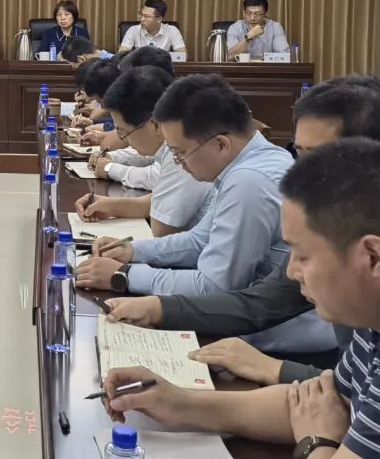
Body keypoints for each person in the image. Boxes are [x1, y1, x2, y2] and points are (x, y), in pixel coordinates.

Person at [100, 138, 380, 459]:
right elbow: (314, 403)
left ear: (371, 256)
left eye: (303, 256)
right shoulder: (368, 325)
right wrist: (176, 401)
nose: (291, 272)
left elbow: (320, 422)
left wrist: (317, 442)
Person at [105, 76, 380, 386]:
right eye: (300, 154)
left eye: (318, 157)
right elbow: (262, 301)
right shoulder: (323, 216)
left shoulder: (253, 180)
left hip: (299, 352)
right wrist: (155, 303)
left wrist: (274, 369)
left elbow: (350, 395)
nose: (302, 172)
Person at [78, 73, 334, 354]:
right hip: (243, 327)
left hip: (276, 344)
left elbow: (214, 286)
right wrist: (133, 251)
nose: (179, 163)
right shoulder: (248, 163)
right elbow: (200, 239)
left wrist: (125, 275)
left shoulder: (250, 181)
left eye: (180, 153)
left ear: (220, 144)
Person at [77, 66, 215, 236]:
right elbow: (160, 198)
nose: (124, 140)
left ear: (155, 125)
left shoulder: (184, 154)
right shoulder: (179, 141)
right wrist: (110, 205)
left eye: (123, 132)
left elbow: (161, 231)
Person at [227, 0, 291, 59]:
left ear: (264, 14)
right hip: (243, 65)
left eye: (257, 14)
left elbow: (284, 55)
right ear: (244, 13)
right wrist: (248, 37)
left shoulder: (275, 27)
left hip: (267, 65)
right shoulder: (235, 28)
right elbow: (229, 56)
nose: (252, 18)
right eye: (248, 13)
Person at [118, 0, 187, 56]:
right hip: (140, 67)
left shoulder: (172, 31)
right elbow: (121, 55)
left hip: (162, 66)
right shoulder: (133, 30)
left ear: (159, 19)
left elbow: (183, 56)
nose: (142, 19)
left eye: (147, 16)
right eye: (141, 15)